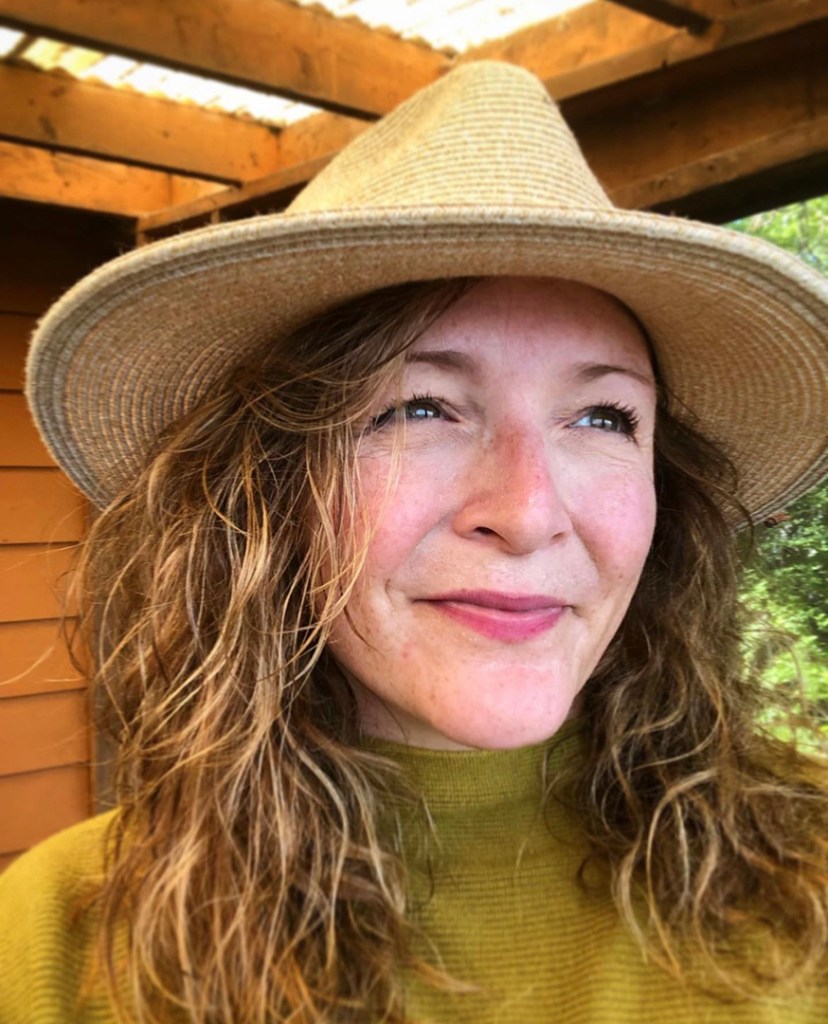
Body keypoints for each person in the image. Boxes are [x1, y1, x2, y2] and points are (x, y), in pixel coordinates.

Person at [1, 60, 827, 1024]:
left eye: (603, 418)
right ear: (267, 490)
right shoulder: (62, 941)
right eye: (419, 407)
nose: (527, 512)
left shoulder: (807, 867)